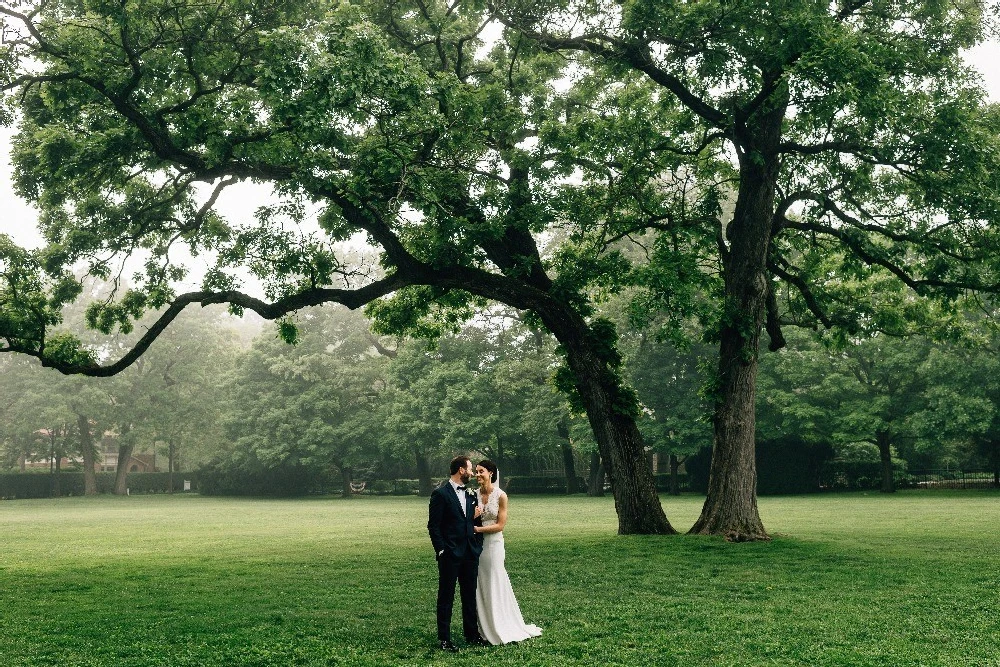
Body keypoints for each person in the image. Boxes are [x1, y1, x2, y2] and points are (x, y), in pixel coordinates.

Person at [473, 460, 543, 645]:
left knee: (495, 579)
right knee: (482, 583)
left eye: (481, 471)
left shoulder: (501, 495)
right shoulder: (474, 495)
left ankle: (501, 624)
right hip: (477, 546)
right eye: (476, 471)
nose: (477, 474)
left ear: (491, 473)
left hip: (494, 545)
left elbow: (500, 525)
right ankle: (485, 626)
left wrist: (476, 529)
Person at [427, 456, 488, 652]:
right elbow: (433, 526)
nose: (472, 473)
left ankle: (472, 634)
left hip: (470, 552)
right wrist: (442, 550)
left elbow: (474, 522)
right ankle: (444, 639)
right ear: (461, 470)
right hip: (450, 554)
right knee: (446, 596)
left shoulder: (471, 494)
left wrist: (476, 544)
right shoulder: (441, 494)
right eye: (470, 469)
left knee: (469, 595)